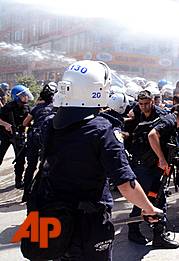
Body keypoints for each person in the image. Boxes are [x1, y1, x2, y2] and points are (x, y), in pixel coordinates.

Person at [24, 60, 164, 260]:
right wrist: (149, 208)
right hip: (88, 225)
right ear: (98, 90)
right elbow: (125, 184)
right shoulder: (103, 130)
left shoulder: (49, 124)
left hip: (54, 218)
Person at [127, 90, 179, 248]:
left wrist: (162, 159)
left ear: (153, 101)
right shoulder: (138, 110)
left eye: (146, 103)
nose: (143, 107)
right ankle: (134, 228)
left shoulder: (165, 117)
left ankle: (158, 233)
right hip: (144, 164)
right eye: (140, 104)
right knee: (142, 198)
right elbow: (151, 135)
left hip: (153, 164)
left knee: (157, 197)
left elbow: (153, 135)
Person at [21, 82, 57, 201]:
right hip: (45, 137)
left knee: (31, 165)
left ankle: (26, 193)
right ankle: (44, 192)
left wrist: (34, 125)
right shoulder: (55, 108)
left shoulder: (36, 108)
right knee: (46, 165)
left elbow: (25, 123)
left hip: (33, 136)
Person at [0, 84, 32, 188]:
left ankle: (19, 180)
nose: (26, 98)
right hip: (6, 135)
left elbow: (28, 121)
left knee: (20, 159)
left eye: (26, 95)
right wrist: (6, 125)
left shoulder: (26, 107)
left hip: (19, 136)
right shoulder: (8, 108)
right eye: (23, 96)